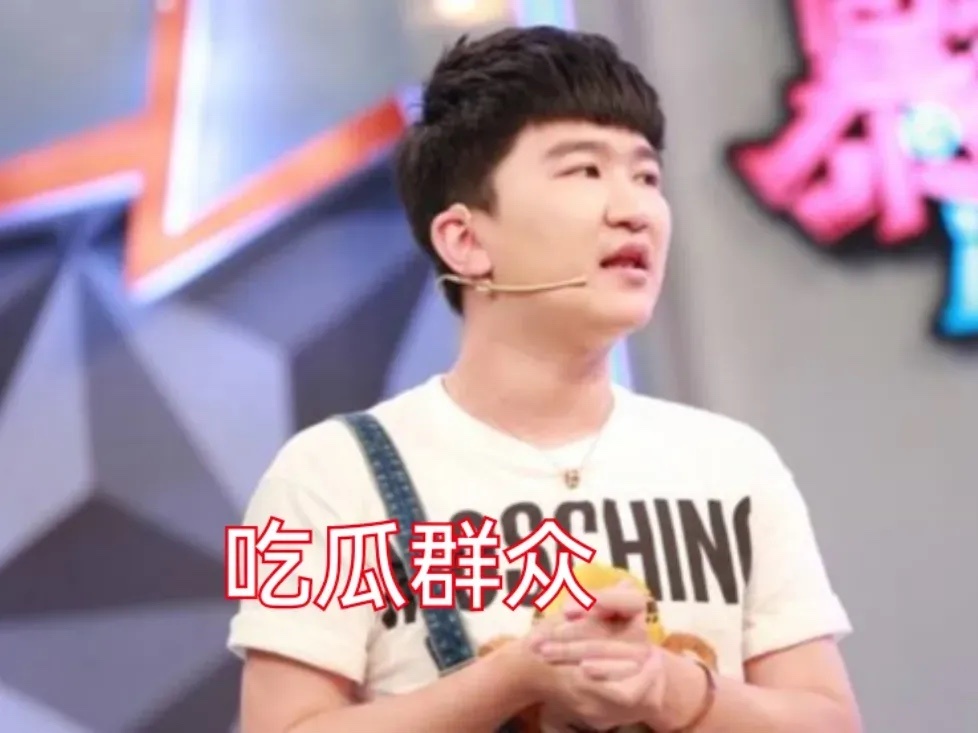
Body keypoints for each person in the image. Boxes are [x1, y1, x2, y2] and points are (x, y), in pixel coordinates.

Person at [227, 25, 862, 733]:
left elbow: (831, 721)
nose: (633, 209)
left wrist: (670, 687)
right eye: (585, 171)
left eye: (646, 176)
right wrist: (513, 679)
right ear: (465, 240)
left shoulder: (734, 461)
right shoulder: (322, 475)